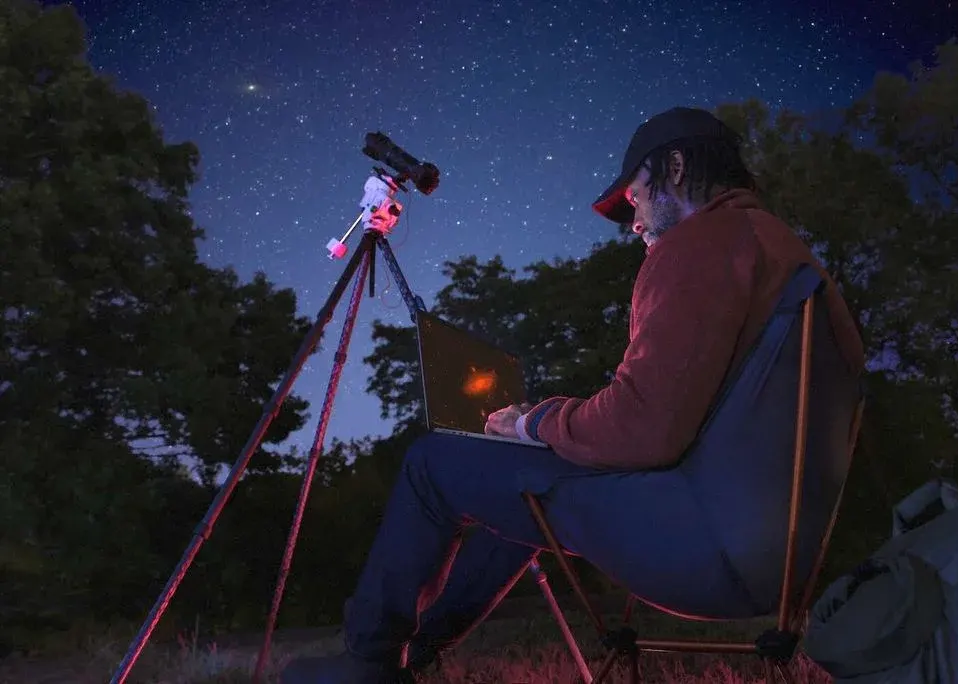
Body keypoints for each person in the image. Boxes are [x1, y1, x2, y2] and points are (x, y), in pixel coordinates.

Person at [280, 107, 864, 684]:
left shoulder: (702, 242)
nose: (634, 223)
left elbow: (643, 429)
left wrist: (533, 423)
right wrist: (547, 433)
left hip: (705, 545)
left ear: (676, 168)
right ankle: (420, 650)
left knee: (432, 464)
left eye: (636, 197)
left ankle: (368, 664)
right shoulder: (781, 249)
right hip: (778, 558)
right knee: (520, 481)